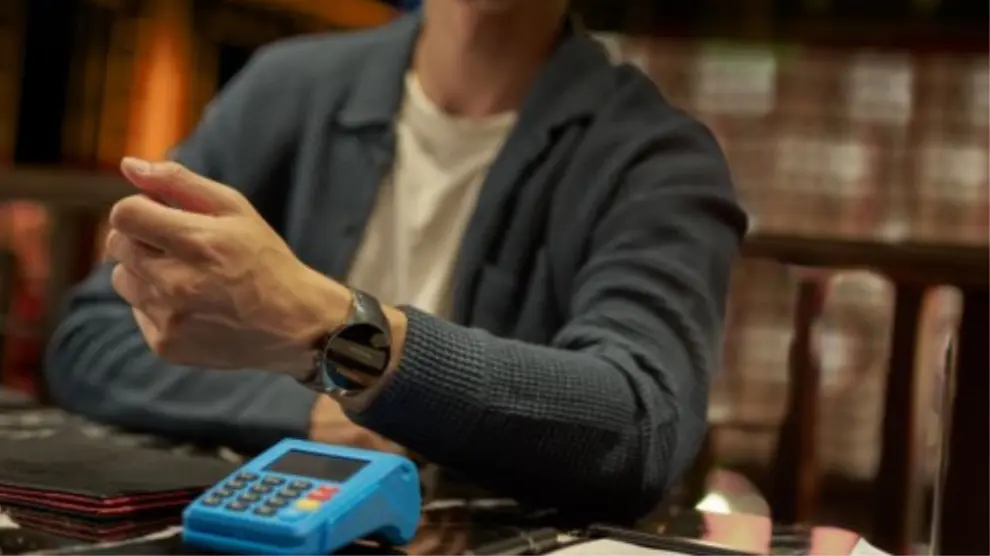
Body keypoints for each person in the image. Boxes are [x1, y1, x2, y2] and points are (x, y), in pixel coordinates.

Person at [46, 0, 746, 520]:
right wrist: (312, 412)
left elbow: (641, 425)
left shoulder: (657, 157)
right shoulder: (286, 88)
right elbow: (92, 341)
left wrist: (334, 332)